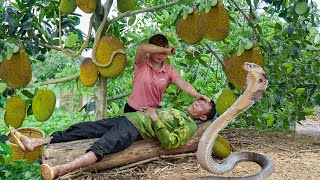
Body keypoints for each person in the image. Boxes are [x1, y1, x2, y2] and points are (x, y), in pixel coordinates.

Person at [9, 99, 216, 180]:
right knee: (82, 128)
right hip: (126, 119)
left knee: (100, 148)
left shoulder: (189, 126)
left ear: (203, 117)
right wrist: (149, 112)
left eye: (201, 106)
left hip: (133, 128)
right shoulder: (178, 109)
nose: (197, 103)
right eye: (198, 101)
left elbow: (170, 142)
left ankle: (59, 170)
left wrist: (154, 119)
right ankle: (35, 143)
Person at [124, 34, 210, 113]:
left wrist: (196, 95)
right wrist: (165, 49)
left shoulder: (169, 70)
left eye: (164, 53)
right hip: (133, 109)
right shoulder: (141, 63)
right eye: (158, 50)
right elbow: (142, 48)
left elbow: (182, 83)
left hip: (153, 113)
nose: (161, 55)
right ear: (150, 50)